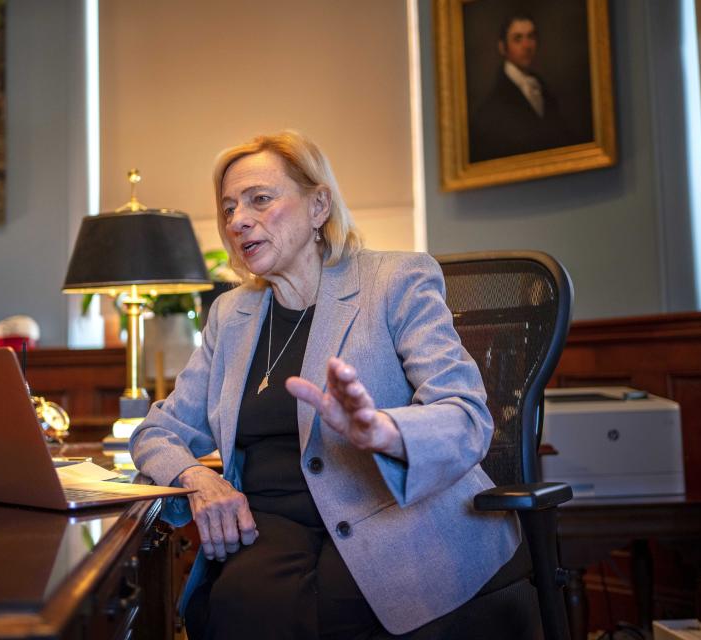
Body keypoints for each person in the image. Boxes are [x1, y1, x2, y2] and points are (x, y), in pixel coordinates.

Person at [129, 131, 539, 638]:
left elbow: (466, 414)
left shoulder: (397, 280)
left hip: (393, 515)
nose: (237, 220)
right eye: (229, 207)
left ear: (318, 204)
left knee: (346, 612)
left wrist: (385, 431)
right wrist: (198, 477)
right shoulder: (230, 314)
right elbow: (157, 431)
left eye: (260, 199)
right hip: (273, 529)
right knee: (236, 607)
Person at [469, 13, 575, 163]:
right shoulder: (491, 108)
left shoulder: (541, 88)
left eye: (531, 37)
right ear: (502, 47)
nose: (527, 46)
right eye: (517, 39)